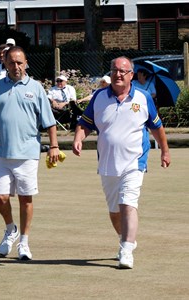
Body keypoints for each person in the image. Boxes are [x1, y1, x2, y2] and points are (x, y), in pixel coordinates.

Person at [72, 56, 171, 269]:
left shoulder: (143, 98)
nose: (117, 74)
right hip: (108, 163)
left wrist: (165, 150)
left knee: (128, 203)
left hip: (134, 162)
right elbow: (85, 124)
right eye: (114, 70)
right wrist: (79, 138)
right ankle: (126, 237)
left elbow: (157, 127)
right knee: (115, 211)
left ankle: (126, 250)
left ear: (131, 75)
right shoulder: (99, 97)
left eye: (123, 71)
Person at [0, 46, 59, 260]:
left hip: (28, 153)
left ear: (26, 63)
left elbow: (49, 122)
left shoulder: (36, 88)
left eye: (20, 62)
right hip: (0, 151)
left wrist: (54, 146)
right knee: (1, 197)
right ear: (5, 63)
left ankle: (24, 243)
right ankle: (11, 229)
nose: (16, 66)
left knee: (25, 199)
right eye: (11, 62)